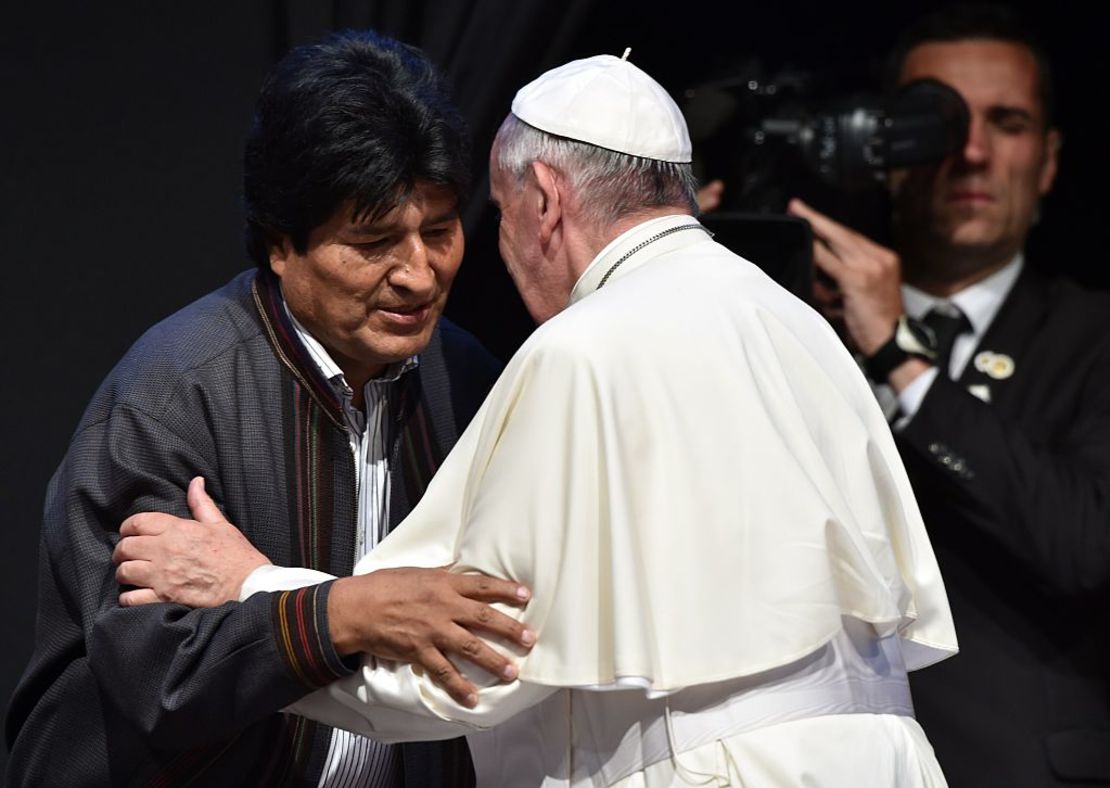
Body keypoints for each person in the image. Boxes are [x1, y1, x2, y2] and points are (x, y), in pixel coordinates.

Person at [120, 52, 960, 786]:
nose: (431, 271)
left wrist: (255, 590)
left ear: (547, 200)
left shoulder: (581, 350)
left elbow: (467, 661)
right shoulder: (798, 320)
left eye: (473, 221)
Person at [4, 30, 536, 787]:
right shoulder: (171, 392)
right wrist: (350, 611)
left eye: (440, 231)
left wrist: (262, 588)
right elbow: (158, 674)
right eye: (376, 239)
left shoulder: (470, 379)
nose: (419, 274)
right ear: (281, 245)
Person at [786, 6, 1110, 786]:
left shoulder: (1094, 335)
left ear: (1050, 159)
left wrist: (903, 358)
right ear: (885, 151)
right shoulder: (795, 329)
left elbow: (1084, 543)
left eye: (1007, 122)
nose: (969, 152)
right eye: (936, 122)